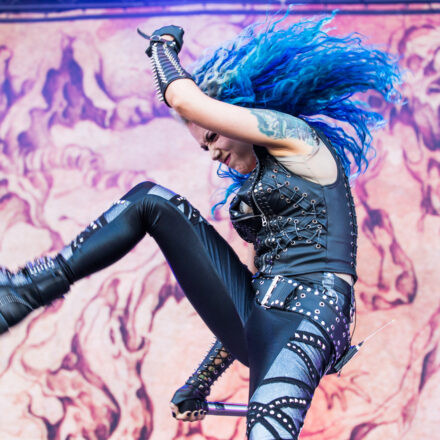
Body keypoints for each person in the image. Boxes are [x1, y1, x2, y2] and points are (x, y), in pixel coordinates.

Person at [0, 13, 401, 440]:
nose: (211, 153)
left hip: (311, 319)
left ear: (239, 117)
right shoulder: (267, 183)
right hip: (266, 317)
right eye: (203, 145)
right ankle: (24, 292)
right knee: (151, 202)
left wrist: (161, 48)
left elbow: (186, 101)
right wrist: (201, 381)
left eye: (213, 137)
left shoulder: (300, 141)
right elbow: (251, 300)